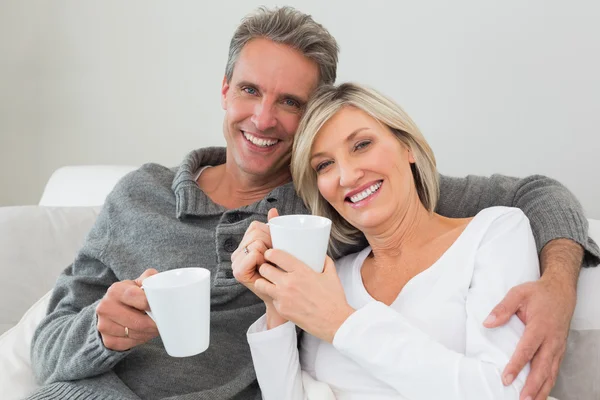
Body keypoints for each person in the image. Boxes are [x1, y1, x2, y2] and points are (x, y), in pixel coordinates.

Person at [28, 6, 598, 400]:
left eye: (290, 102)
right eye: (250, 90)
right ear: (225, 90)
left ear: (314, 116)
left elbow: (533, 194)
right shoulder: (136, 196)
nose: (263, 118)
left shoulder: (335, 198)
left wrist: (559, 282)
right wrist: (98, 332)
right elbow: (49, 354)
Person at [233, 82, 546, 399]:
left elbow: (504, 391)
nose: (348, 176)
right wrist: (277, 307)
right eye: (325, 165)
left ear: (407, 146)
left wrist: (341, 322)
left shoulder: (493, 234)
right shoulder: (332, 277)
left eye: (362, 145)